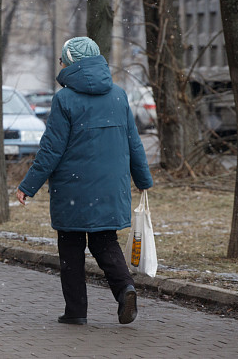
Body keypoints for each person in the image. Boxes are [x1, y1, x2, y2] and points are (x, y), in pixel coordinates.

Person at [15, 37, 153, 326]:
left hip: (73, 188)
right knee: (105, 242)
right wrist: (143, 179)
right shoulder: (118, 95)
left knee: (71, 247)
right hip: (110, 188)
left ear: (72, 63)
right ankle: (125, 289)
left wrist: (28, 186)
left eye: (63, 60)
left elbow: (51, 149)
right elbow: (133, 142)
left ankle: (76, 311)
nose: (60, 64)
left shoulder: (64, 99)